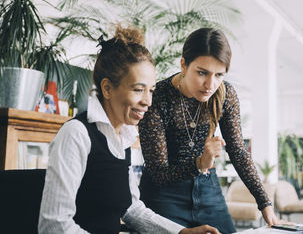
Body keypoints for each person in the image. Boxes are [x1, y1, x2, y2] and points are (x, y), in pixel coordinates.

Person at [38, 25, 220, 234]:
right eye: (138, 89)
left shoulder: (122, 139)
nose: (147, 101)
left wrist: (181, 232)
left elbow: (132, 209)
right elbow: (53, 225)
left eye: (150, 90)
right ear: (107, 88)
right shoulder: (76, 134)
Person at [138, 28, 280, 234]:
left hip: (208, 190)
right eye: (202, 72)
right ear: (184, 64)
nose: (210, 84)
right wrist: (199, 163)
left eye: (219, 75)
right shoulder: (158, 97)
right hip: (163, 195)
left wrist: (264, 203)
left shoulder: (225, 95)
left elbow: (239, 152)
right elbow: (159, 173)